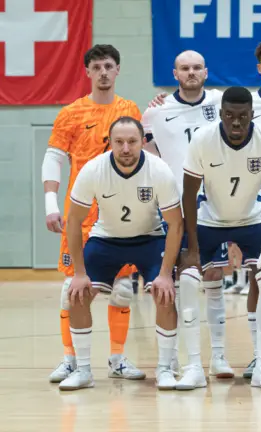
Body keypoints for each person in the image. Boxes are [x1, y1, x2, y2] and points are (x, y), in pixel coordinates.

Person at [42, 44, 145, 384]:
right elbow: (54, 158)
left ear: (118, 71)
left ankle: (117, 358)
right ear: (87, 71)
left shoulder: (129, 109)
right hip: (82, 216)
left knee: (123, 290)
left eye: (109, 66)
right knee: (72, 289)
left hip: (122, 216)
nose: (103, 72)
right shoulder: (71, 113)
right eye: (97, 66)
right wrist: (51, 205)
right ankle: (71, 360)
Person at [58, 117, 183, 391]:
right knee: (76, 294)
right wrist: (79, 274)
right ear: (111, 143)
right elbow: (73, 222)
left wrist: (164, 274)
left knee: (165, 293)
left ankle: (164, 369)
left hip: (149, 238)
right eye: (119, 142)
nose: (125, 148)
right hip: (106, 238)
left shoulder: (159, 170)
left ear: (142, 142)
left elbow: (176, 223)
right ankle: (84, 371)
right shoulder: (93, 170)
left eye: (132, 141)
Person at [181, 86, 261, 389]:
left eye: (242, 116)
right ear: (221, 114)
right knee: (189, 280)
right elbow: (189, 194)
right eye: (230, 116)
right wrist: (192, 246)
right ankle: (200, 364)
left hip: (252, 218)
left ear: (253, 114)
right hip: (209, 219)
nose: (236, 123)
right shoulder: (203, 139)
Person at [141, 50, 225, 386]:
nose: (191, 73)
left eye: (196, 68)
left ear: (206, 72)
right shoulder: (156, 111)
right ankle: (170, 360)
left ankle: (218, 354)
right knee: (174, 283)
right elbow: (148, 159)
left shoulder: (222, 103)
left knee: (215, 277)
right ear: (174, 74)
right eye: (184, 69)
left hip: (217, 203)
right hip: (174, 208)